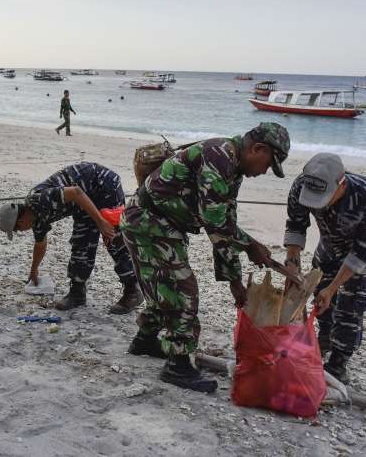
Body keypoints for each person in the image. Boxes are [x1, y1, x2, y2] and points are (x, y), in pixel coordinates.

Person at [120, 123, 298, 393]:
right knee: (182, 289)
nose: (264, 172)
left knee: (163, 285)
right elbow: (214, 222)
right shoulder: (219, 156)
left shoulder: (232, 169)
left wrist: (235, 280)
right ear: (257, 149)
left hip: (159, 224)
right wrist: (251, 245)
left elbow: (225, 225)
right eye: (268, 165)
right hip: (148, 222)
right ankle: (178, 366)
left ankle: (145, 340)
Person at [283, 153, 366, 384]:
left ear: (342, 184)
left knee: (350, 305)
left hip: (359, 255)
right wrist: (292, 264)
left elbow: (362, 252)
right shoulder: (302, 185)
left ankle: (339, 362)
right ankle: (326, 337)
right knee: (320, 297)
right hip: (329, 246)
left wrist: (333, 288)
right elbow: (296, 225)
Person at [0, 162, 144, 314]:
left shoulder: (38, 199)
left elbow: (75, 192)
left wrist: (100, 221)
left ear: (20, 222)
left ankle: (133, 290)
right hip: (82, 204)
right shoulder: (36, 219)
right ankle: (77, 292)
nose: (21, 231)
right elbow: (40, 244)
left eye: (18, 230)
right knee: (81, 241)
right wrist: (34, 270)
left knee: (113, 237)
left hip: (102, 184)